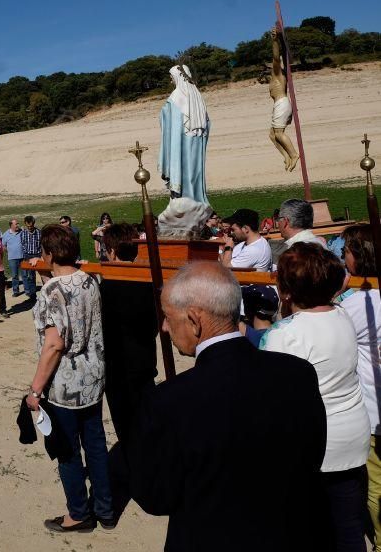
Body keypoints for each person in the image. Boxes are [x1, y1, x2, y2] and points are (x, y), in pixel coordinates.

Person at [127, 262, 328, 551]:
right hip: (291, 535)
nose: (164, 327)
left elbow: (155, 497)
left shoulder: (168, 401)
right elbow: (313, 454)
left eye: (169, 318)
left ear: (195, 321)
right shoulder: (298, 373)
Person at [260, 243, 369, 551]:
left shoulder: (285, 335)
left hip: (314, 445)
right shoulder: (342, 314)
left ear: (287, 289)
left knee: (310, 531)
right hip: (352, 432)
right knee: (349, 528)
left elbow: (273, 397)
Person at [24, 224, 112, 532]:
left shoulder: (51, 292)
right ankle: (105, 507)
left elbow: (55, 343)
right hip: (93, 377)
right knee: (96, 444)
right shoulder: (89, 279)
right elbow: (70, 299)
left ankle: (78, 513)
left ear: (47, 253)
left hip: (66, 383)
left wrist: (35, 390)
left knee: (68, 451)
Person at [338, 225, 381, 549]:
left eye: (346, 252)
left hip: (373, 408)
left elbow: (333, 330)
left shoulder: (358, 303)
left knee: (376, 485)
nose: (343, 257)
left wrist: (336, 293)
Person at [98, 223, 156, 444]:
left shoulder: (107, 287)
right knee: (146, 429)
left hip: (118, 369)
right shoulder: (149, 282)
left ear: (111, 251)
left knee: (127, 432)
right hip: (145, 363)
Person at [157, 64, 210, 204]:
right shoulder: (197, 97)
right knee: (195, 172)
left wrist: (164, 112)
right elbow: (207, 124)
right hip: (197, 143)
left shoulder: (176, 96)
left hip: (181, 144)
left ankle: (184, 198)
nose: (171, 81)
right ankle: (197, 198)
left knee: (185, 172)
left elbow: (171, 123)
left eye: (171, 77)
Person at [269, 26, 299, 171]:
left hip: (281, 103)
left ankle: (294, 155)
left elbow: (275, 57)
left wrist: (274, 41)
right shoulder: (276, 76)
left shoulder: (278, 74)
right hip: (280, 104)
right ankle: (286, 156)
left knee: (279, 134)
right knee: (272, 135)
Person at [20, 215, 41, 302]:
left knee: (43, 274)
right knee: (30, 276)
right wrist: (25, 253)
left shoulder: (39, 232)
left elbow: (41, 244)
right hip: (28, 255)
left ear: (33, 224)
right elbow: (22, 244)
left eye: (31, 226)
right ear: (25, 224)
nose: (30, 228)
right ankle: (33, 296)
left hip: (38, 255)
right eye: (28, 226)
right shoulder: (23, 233)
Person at [1, 219, 24, 297]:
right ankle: (16, 291)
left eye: (18, 223)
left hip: (23, 257)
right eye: (16, 224)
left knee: (25, 274)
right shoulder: (5, 234)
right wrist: (10, 251)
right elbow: (3, 245)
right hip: (12, 258)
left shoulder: (22, 232)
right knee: (14, 275)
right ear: (11, 225)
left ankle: (28, 290)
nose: (17, 225)